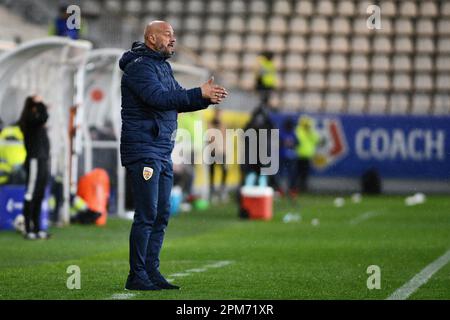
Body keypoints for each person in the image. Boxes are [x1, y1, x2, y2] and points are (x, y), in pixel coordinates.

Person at [119, 20, 227, 291]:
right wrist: (197, 92)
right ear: (151, 39)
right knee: (147, 213)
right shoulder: (139, 67)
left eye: (173, 35)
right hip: (144, 149)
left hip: (161, 149)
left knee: (161, 213)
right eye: (167, 34)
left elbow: (177, 97)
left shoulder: (161, 67)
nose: (173, 39)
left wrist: (204, 98)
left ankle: (151, 272)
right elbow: (159, 99)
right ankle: (137, 275)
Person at [18, 95, 51, 240]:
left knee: (39, 194)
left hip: (42, 160)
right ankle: (27, 228)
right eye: (38, 103)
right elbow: (43, 118)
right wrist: (43, 106)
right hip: (34, 161)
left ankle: (37, 228)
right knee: (31, 193)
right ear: (32, 106)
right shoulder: (30, 120)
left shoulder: (37, 122)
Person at [207, 109, 228, 203]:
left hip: (221, 152)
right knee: (212, 172)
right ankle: (212, 191)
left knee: (224, 170)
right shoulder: (210, 124)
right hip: (213, 151)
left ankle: (222, 189)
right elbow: (210, 137)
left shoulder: (223, 125)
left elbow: (224, 138)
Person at [295, 116, 320, 193]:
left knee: (305, 174)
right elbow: (297, 139)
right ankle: (296, 188)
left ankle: (303, 188)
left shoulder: (310, 132)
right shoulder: (299, 131)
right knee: (297, 173)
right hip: (298, 155)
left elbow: (317, 140)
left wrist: (310, 132)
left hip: (307, 156)